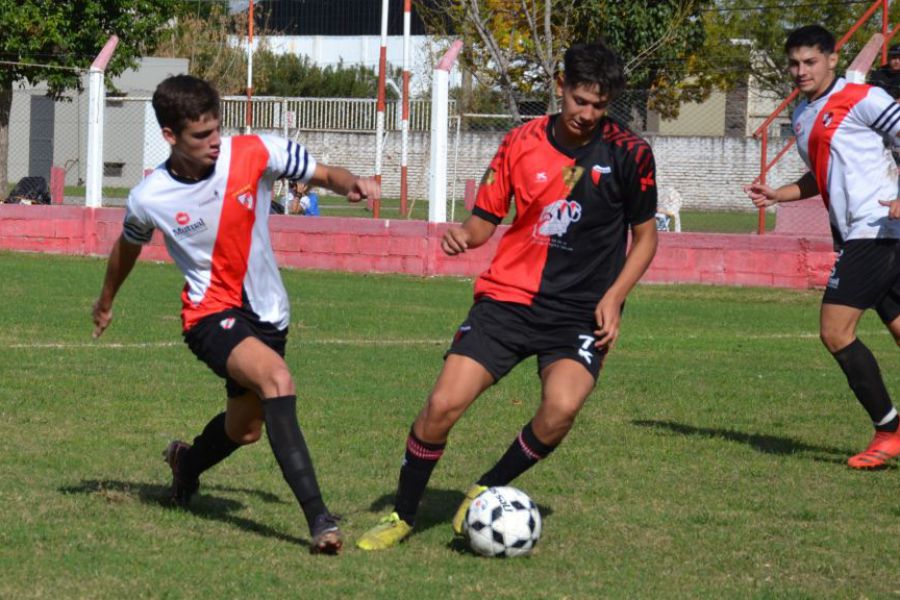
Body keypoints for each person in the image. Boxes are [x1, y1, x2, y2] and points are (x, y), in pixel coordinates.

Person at [356, 41, 658, 550]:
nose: (586, 114)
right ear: (560, 88)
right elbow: (483, 224)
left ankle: (487, 486)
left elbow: (646, 237)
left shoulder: (630, 154)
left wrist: (614, 297)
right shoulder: (520, 142)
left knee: (560, 410)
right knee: (442, 406)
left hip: (581, 312)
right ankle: (402, 514)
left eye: (598, 106)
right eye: (579, 100)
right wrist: (462, 236)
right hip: (508, 299)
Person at [91, 75, 380, 554]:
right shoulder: (151, 196)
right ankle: (320, 521)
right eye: (200, 136)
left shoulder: (254, 151)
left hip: (269, 312)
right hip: (210, 314)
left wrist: (355, 183)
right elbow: (127, 247)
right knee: (277, 380)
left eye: (216, 130)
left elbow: (323, 173)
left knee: (245, 429)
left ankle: (186, 464)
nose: (214, 142)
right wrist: (105, 301)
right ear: (170, 136)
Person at [744, 25, 900, 469]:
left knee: (835, 331)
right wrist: (779, 193)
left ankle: (889, 430)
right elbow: (822, 174)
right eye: (794, 63)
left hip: (878, 230)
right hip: (863, 234)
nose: (800, 71)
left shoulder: (864, 97)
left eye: (810, 61)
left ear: (833, 59)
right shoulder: (804, 115)